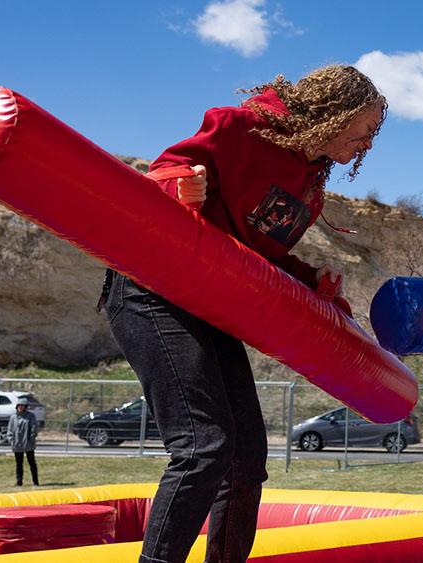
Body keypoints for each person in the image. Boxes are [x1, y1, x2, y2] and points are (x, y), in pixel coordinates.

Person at [102, 64, 386, 563]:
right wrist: (178, 184)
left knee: (246, 459)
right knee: (203, 447)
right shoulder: (240, 129)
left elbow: (259, 252)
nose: (367, 143)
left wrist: (308, 279)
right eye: (364, 129)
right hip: (152, 290)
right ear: (333, 113)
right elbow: (163, 174)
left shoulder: (310, 185)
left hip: (209, 305)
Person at [6, 397, 39, 487]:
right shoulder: (13, 417)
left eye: (23, 406)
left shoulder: (30, 416)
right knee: (19, 464)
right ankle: (19, 482)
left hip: (28, 443)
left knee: (32, 462)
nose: (21, 407)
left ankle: (36, 482)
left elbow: (34, 428)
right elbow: (10, 429)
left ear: (26, 407)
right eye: (19, 405)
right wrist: (11, 440)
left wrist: (32, 438)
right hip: (17, 444)